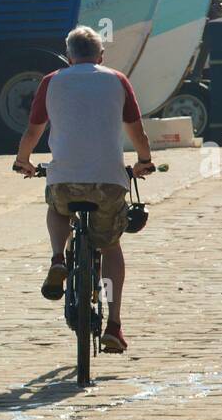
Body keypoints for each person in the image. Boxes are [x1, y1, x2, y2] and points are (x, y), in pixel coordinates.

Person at [13, 25, 156, 353]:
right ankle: (114, 325)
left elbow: (33, 131)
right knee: (111, 247)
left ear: (68, 56)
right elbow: (137, 132)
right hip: (108, 182)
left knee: (57, 206)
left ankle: (58, 258)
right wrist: (144, 161)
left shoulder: (52, 81)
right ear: (101, 56)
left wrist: (24, 161)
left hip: (66, 179)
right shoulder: (117, 79)